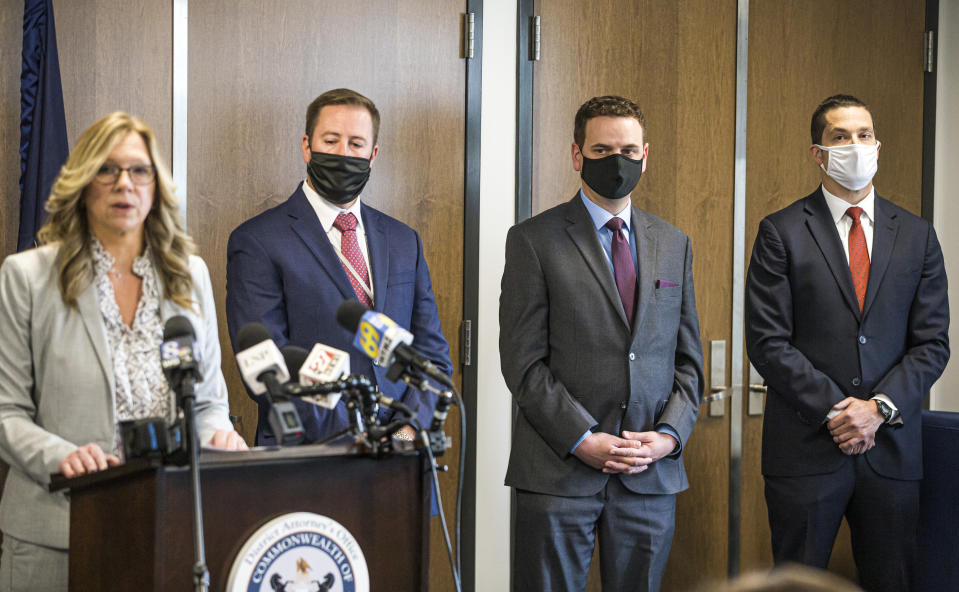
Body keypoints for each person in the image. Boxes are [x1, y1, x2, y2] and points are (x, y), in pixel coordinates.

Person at [0, 111, 247, 590]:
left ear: (155, 186)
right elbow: (6, 411)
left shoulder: (188, 275)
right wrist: (61, 456)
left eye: (139, 170)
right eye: (106, 169)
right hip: (57, 535)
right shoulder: (27, 277)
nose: (123, 184)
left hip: (168, 528)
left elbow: (211, 402)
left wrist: (217, 434)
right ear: (82, 182)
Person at [499, 95, 704, 592]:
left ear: (646, 154)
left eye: (630, 151)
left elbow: (689, 361)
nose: (619, 161)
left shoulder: (672, 242)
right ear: (577, 155)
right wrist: (582, 439)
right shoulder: (533, 240)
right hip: (558, 472)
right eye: (603, 149)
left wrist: (668, 437)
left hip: (650, 476)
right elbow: (523, 364)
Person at [745, 94, 949, 592]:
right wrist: (842, 413)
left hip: (892, 452)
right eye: (840, 137)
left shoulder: (918, 236)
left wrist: (877, 408)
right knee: (797, 583)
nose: (855, 145)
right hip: (807, 451)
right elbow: (769, 342)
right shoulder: (781, 231)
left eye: (864, 135)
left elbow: (932, 344)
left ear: (877, 144)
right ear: (819, 153)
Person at [226, 88, 451, 444]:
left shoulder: (403, 240)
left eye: (356, 144)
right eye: (331, 141)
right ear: (307, 145)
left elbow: (433, 361)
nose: (343, 154)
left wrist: (405, 436)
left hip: (404, 461)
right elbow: (265, 365)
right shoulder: (258, 241)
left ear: (373, 154)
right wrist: (352, 441)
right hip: (310, 458)